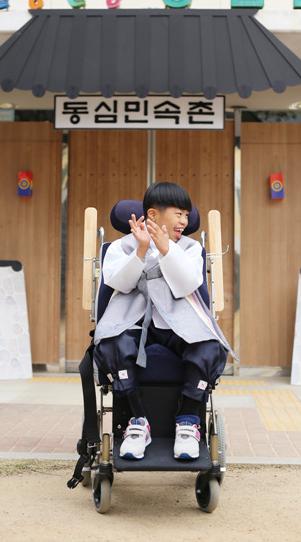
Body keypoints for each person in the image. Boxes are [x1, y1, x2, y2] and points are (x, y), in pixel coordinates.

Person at [93, 182, 234, 461]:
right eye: (178, 214)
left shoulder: (191, 248)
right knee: (112, 343)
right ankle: (137, 421)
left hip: (179, 324)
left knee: (210, 347)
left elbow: (187, 285)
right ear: (153, 215)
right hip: (134, 321)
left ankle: (188, 422)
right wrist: (141, 251)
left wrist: (167, 250)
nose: (184, 221)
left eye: (186, 215)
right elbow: (119, 283)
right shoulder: (121, 246)